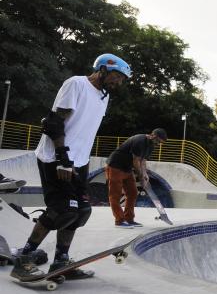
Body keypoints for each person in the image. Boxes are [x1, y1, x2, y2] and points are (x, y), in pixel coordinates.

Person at [11, 53, 131, 281]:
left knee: (80, 212)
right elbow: (54, 123)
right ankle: (23, 260)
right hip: (55, 159)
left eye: (122, 79)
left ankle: (61, 262)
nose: (119, 83)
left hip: (80, 162)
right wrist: (63, 160)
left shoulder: (103, 97)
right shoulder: (75, 84)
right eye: (117, 76)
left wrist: (76, 161)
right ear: (103, 70)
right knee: (61, 210)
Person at [105, 128, 167, 228]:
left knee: (132, 193)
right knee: (115, 194)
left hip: (127, 168)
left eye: (160, 143)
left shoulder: (151, 146)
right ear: (153, 136)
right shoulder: (140, 141)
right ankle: (119, 221)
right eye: (158, 141)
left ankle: (129, 219)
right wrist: (141, 177)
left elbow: (143, 161)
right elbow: (136, 161)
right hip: (115, 166)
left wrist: (145, 174)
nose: (158, 144)